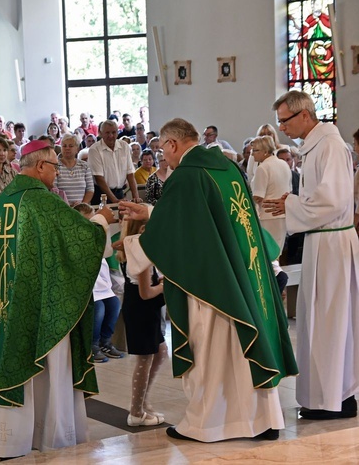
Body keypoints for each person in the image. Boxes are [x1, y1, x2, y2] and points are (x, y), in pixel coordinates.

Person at [118, 118, 297, 442]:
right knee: (245, 344)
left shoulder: (187, 175)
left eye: (162, 151)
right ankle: (263, 419)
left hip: (210, 282)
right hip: (243, 271)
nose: (163, 158)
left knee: (213, 349)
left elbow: (182, 227)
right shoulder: (226, 168)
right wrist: (149, 212)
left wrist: (133, 247)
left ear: (173, 144)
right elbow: (201, 219)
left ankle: (209, 424)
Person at [0, 140, 115, 459]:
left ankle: (11, 441)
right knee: (49, 369)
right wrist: (103, 219)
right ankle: (51, 438)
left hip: (5, 303)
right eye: (54, 166)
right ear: (40, 166)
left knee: (14, 366)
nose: (56, 172)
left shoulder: (3, 201)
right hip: (41, 307)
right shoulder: (42, 201)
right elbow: (80, 242)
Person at [263, 90, 359, 420]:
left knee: (331, 322)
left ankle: (336, 398)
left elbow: (332, 201)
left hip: (333, 246)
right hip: (323, 243)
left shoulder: (331, 145)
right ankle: (323, 396)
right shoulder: (317, 145)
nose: (282, 128)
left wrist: (291, 204)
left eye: (284, 120)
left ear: (305, 115)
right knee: (317, 322)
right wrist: (295, 200)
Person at [115, 216, 167, 427]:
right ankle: (136, 412)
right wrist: (167, 285)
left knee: (161, 353)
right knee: (145, 359)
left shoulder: (134, 249)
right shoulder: (140, 256)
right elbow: (146, 293)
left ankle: (143, 401)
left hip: (145, 309)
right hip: (142, 309)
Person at [75, 203, 122, 363]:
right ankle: (92, 345)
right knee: (99, 308)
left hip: (102, 287)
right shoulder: (78, 238)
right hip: (89, 289)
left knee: (114, 304)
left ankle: (105, 342)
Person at [249, 136, 292, 252]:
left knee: (268, 253)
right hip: (282, 214)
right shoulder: (283, 164)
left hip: (267, 216)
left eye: (255, 150)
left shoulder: (262, 168)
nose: (252, 154)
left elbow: (258, 197)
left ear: (265, 151)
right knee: (277, 251)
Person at [88, 120, 141, 205]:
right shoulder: (94, 149)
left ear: (117, 132)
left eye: (113, 132)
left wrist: (136, 197)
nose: (111, 135)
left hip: (119, 192)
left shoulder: (124, 146)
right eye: (107, 132)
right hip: (102, 194)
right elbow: (99, 178)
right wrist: (115, 200)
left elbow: (130, 174)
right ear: (101, 133)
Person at [55, 133, 93, 205]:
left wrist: (82, 205)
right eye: (64, 146)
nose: (67, 148)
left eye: (71, 146)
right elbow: (54, 190)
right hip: (62, 208)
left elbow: (90, 189)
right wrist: (67, 206)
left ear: (77, 148)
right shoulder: (55, 166)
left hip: (82, 209)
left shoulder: (84, 166)